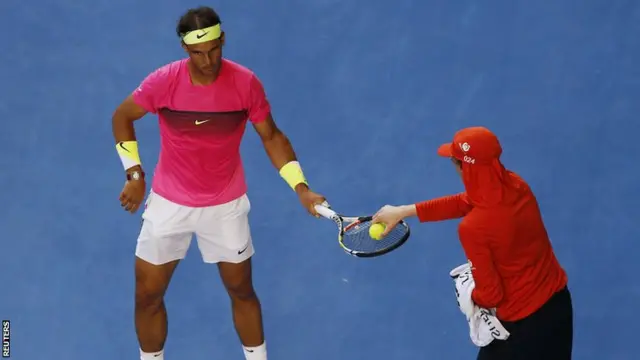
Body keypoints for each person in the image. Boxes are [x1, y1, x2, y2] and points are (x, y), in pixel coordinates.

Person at [111, 6, 326, 360]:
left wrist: (301, 188)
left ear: (222, 39)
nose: (208, 60)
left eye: (214, 49)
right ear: (185, 49)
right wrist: (134, 173)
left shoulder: (246, 84)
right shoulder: (163, 81)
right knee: (147, 295)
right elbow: (122, 116)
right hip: (169, 205)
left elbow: (271, 137)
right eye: (198, 52)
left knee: (241, 290)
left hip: (226, 207)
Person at [372, 126, 573, 359]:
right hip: (558, 307)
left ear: (463, 167)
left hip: (520, 331)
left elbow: (491, 295)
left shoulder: (473, 228)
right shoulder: (517, 186)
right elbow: (467, 201)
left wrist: (468, 293)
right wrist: (404, 211)